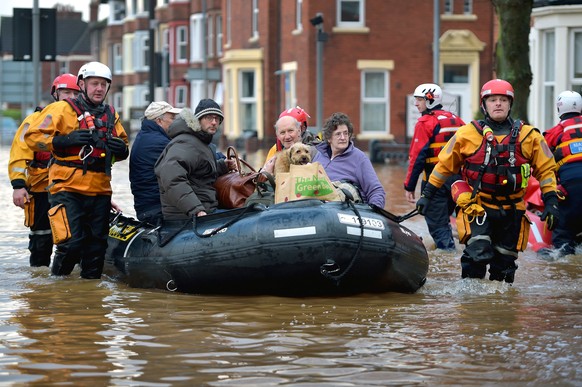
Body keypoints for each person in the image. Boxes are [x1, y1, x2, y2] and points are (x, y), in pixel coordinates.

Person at [416, 79, 559, 284]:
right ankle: (472, 305)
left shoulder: (530, 136)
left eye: (503, 100)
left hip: (512, 209)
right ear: (484, 104)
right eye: (493, 100)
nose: (498, 104)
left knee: (505, 265)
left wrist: (552, 201)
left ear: (510, 104)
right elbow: (443, 167)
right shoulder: (467, 134)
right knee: (476, 255)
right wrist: (427, 196)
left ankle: (499, 309)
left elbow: (546, 170)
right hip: (478, 207)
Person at [24, 61, 129, 279]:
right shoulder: (62, 109)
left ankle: (88, 298)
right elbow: (32, 138)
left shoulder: (111, 114)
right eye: (94, 84)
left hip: (100, 189)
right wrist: (62, 140)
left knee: (96, 250)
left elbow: (121, 144)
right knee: (71, 243)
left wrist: (122, 151)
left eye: (103, 84)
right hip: (66, 187)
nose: (99, 88)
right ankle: (59, 286)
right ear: (82, 84)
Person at [8, 73, 80, 267]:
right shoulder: (36, 121)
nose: (71, 98)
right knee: (42, 239)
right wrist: (18, 185)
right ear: (56, 94)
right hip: (40, 191)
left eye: (75, 93)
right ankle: (40, 280)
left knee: (73, 239)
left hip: (71, 189)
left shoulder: (82, 123)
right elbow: (19, 154)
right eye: (67, 92)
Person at [404, 83, 465, 250]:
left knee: (438, 227)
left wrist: (409, 186)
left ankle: (447, 263)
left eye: (419, 100)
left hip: (434, 182)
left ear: (429, 101)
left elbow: (417, 158)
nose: (416, 104)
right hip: (457, 182)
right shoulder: (458, 121)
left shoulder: (425, 123)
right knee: (446, 222)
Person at [154, 99, 236, 220]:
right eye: (209, 118)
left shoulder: (200, 143)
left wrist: (222, 166)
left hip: (205, 209)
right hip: (187, 217)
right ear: (198, 120)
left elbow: (199, 173)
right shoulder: (186, 143)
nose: (214, 122)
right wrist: (196, 210)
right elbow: (171, 178)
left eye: (217, 119)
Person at [312, 112, 386, 208]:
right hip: (320, 209)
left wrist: (374, 211)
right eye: (338, 134)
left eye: (345, 133)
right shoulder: (319, 156)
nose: (343, 138)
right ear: (329, 138)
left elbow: (376, 190)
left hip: (348, 210)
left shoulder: (359, 158)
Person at [542, 90, 582, 256]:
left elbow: (542, 161)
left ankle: (562, 255)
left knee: (563, 229)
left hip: (571, 187)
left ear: (559, 108)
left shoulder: (554, 132)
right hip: (572, 183)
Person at [129, 101, 181, 224]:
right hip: (157, 208)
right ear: (159, 121)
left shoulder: (145, 136)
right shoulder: (159, 143)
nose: (175, 122)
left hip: (147, 206)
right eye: (172, 118)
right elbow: (189, 158)